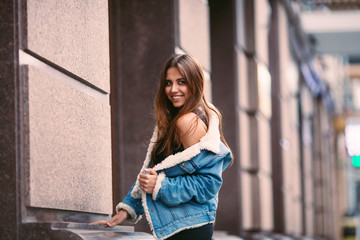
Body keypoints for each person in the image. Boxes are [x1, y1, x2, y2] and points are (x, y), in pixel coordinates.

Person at [91, 53, 233, 240]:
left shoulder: (188, 122)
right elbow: (153, 172)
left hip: (189, 229)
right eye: (168, 83)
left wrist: (161, 185)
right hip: (182, 226)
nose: (173, 89)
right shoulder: (173, 120)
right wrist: (126, 211)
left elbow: (209, 183)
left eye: (181, 82)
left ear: (195, 83)